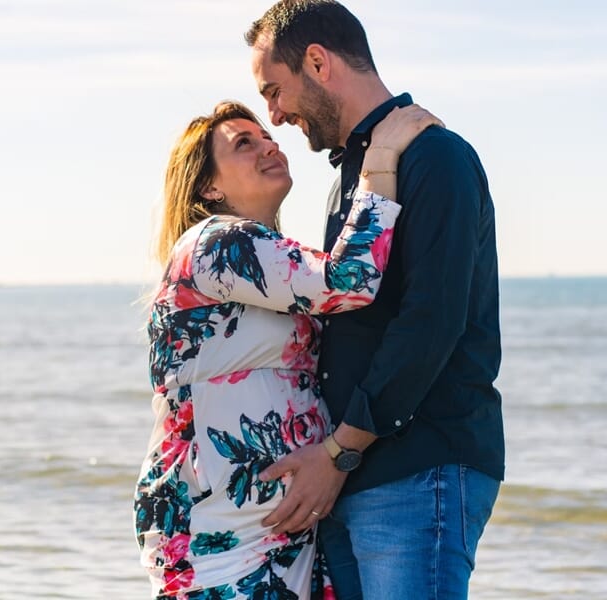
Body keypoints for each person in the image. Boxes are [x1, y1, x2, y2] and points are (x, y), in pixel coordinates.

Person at [245, 2, 505, 599]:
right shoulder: (356, 173)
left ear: (317, 62)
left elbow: (432, 322)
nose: (275, 114)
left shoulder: (437, 158)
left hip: (420, 467)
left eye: (274, 91)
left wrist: (339, 450)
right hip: (355, 477)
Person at [133, 100, 440, 599]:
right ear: (210, 187)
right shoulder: (213, 245)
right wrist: (380, 159)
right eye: (244, 144)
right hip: (213, 539)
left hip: (283, 536)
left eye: (267, 136)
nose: (269, 145)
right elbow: (349, 280)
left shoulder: (268, 257)